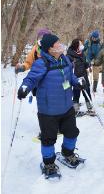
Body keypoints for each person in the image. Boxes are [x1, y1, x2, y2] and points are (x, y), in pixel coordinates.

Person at [17, 34, 86, 177]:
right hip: (48, 111)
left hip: (67, 107)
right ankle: (48, 164)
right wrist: (24, 87)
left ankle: (68, 154)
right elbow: (30, 79)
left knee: (72, 132)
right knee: (48, 139)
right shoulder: (41, 63)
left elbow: (70, 76)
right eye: (57, 44)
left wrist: (77, 81)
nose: (60, 45)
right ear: (50, 49)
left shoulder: (65, 59)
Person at [67, 39, 95, 116]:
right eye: (80, 44)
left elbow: (84, 63)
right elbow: (68, 68)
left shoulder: (82, 53)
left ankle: (90, 109)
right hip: (75, 79)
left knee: (87, 93)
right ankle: (75, 110)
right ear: (76, 46)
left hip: (84, 77)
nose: (82, 46)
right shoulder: (69, 56)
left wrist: (88, 64)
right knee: (76, 95)